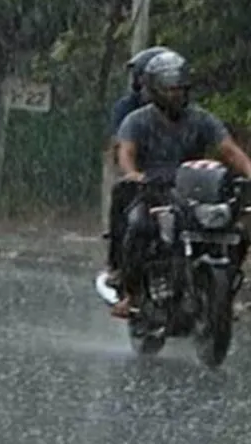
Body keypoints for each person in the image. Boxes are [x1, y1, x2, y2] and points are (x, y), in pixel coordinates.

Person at [111, 51, 251, 317]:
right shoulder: (136, 120)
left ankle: (222, 295)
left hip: (194, 190)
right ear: (154, 89)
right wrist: (133, 175)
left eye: (180, 88)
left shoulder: (202, 119)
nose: (175, 94)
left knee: (237, 230)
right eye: (169, 89)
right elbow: (125, 154)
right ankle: (132, 294)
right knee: (139, 227)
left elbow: (230, 150)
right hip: (152, 189)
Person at [103, 46, 175, 279]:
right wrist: (131, 171)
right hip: (142, 174)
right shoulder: (127, 109)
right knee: (124, 202)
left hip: (176, 177)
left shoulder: (183, 112)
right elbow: (119, 146)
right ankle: (117, 266)